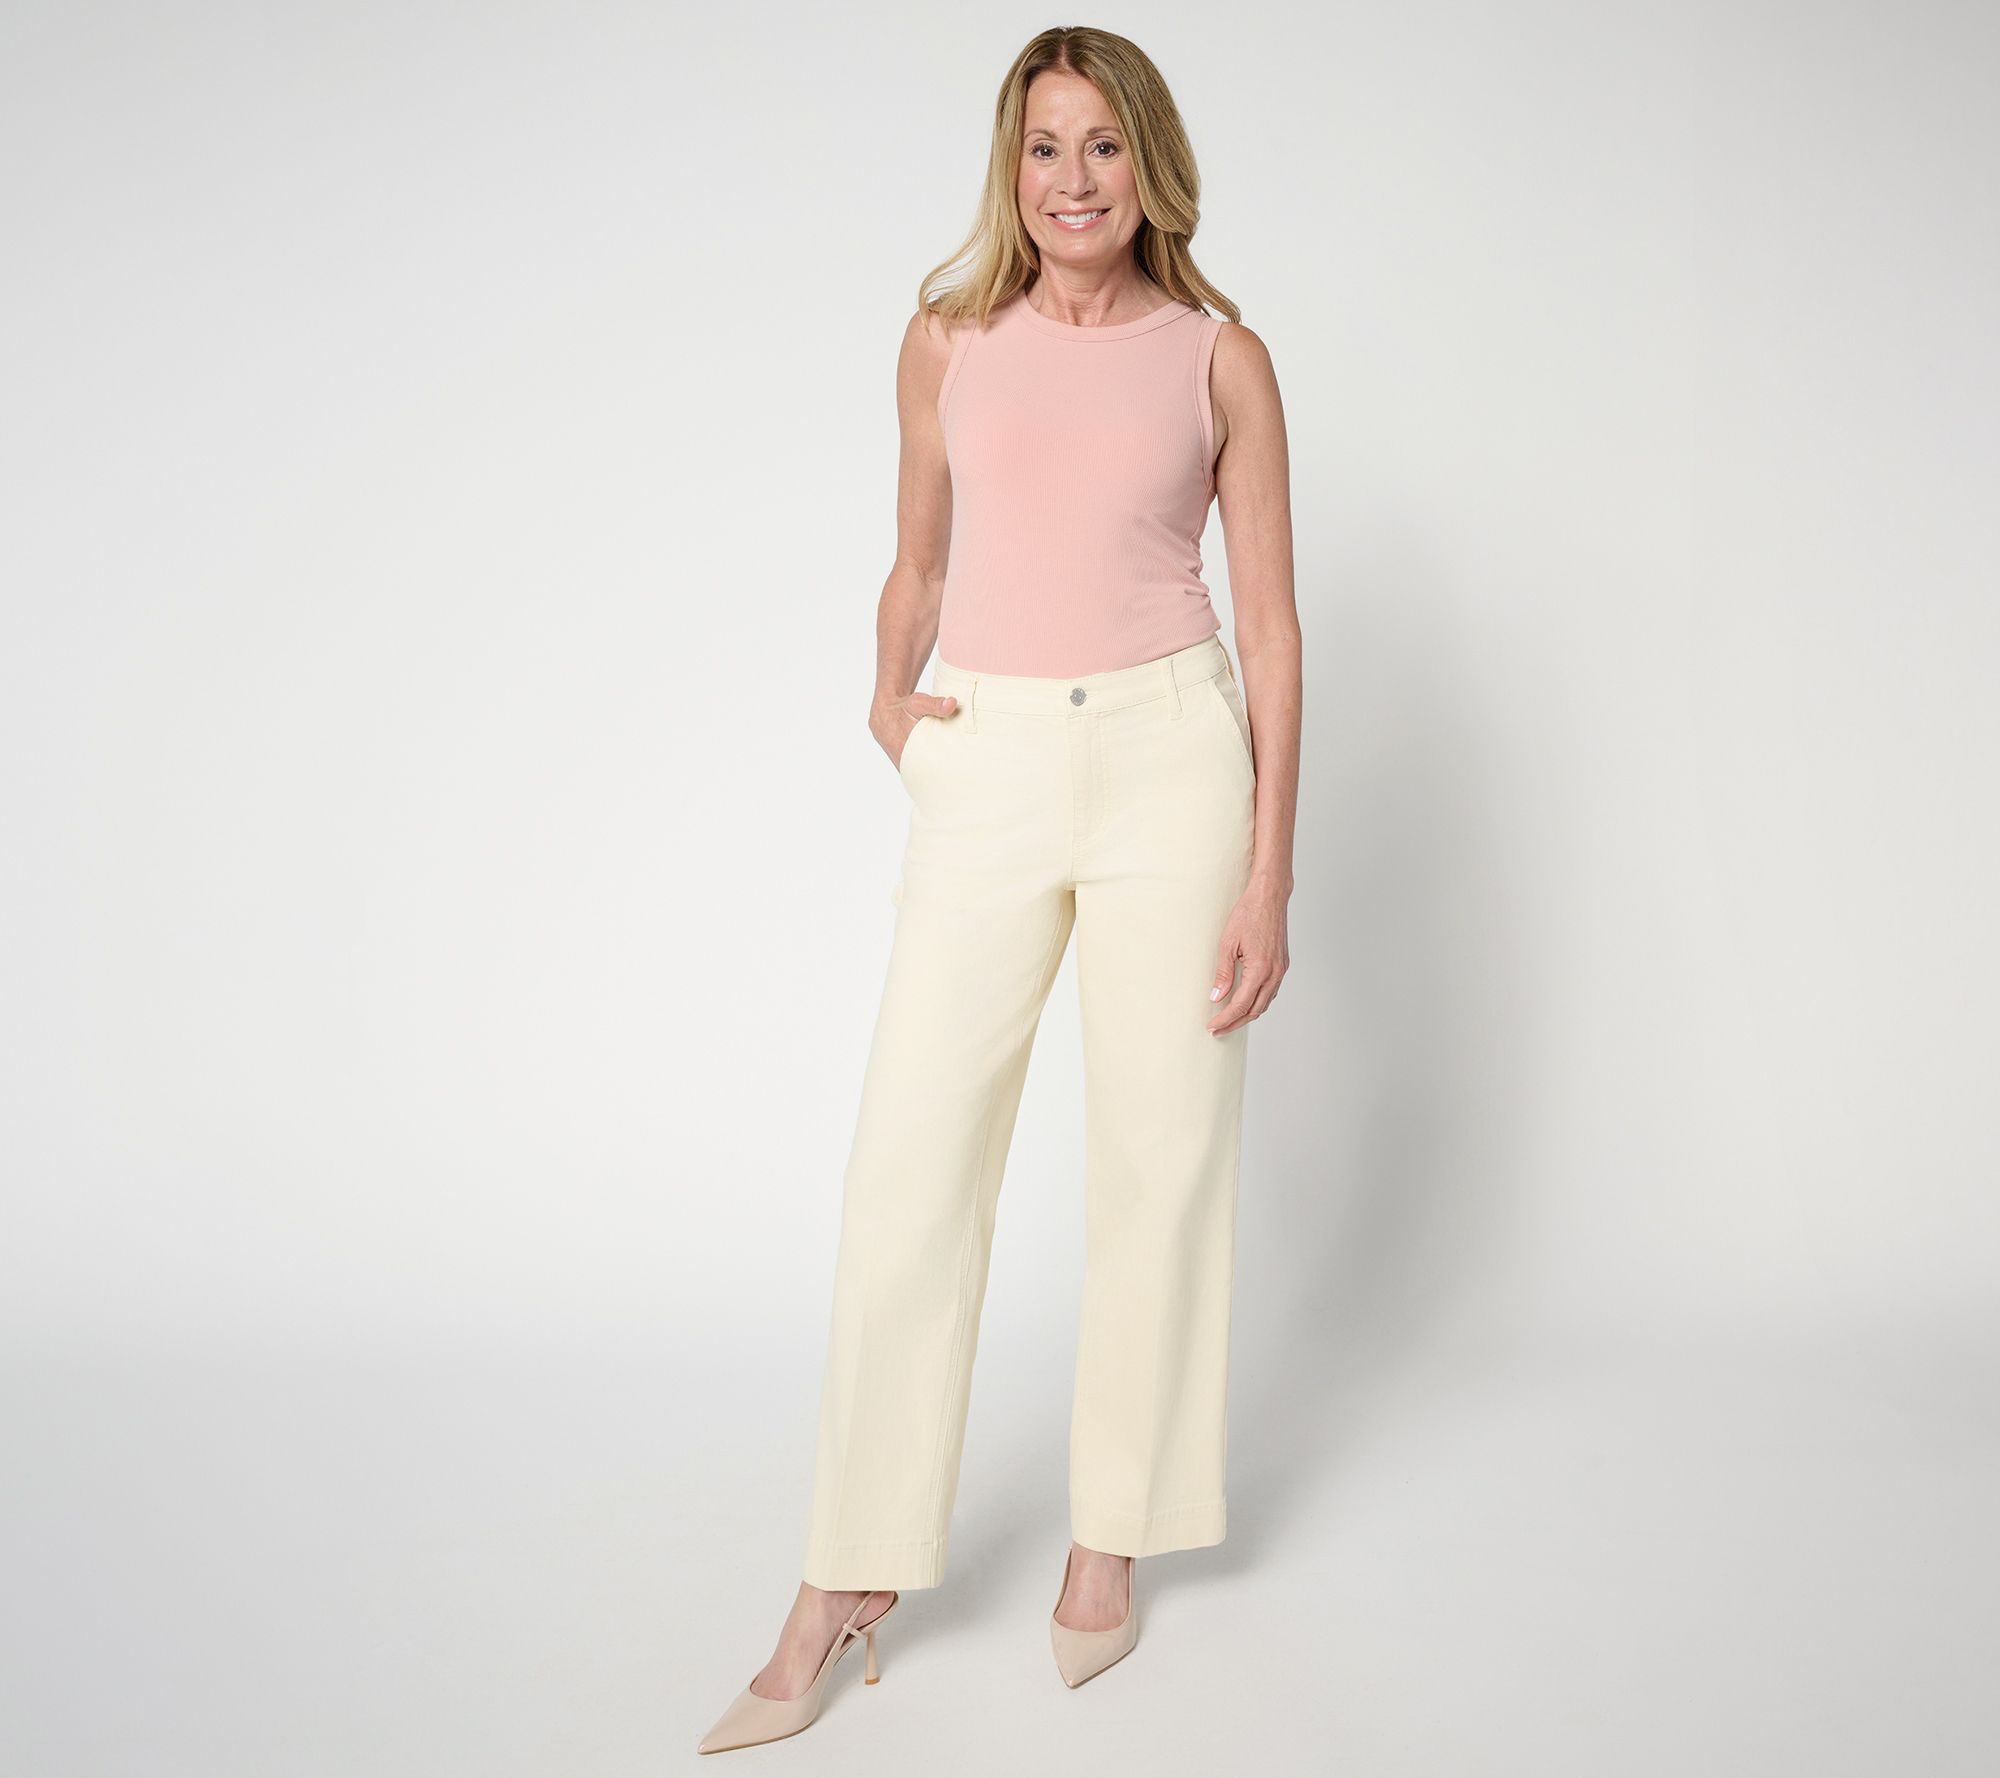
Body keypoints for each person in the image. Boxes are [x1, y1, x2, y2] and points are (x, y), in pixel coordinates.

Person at [698, 24, 1299, 1754]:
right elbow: (919, 558)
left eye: (1104, 146)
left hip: (1175, 762)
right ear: (1009, 167)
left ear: (1149, 163)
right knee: (909, 1165)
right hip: (992, 761)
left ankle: (1114, 1530)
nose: (1073, 180)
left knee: (1161, 1159)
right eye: (1045, 147)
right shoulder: (946, 339)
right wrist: (891, 703)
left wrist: (1270, 868)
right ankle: (844, 1571)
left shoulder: (1222, 358)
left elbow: (1272, 628)